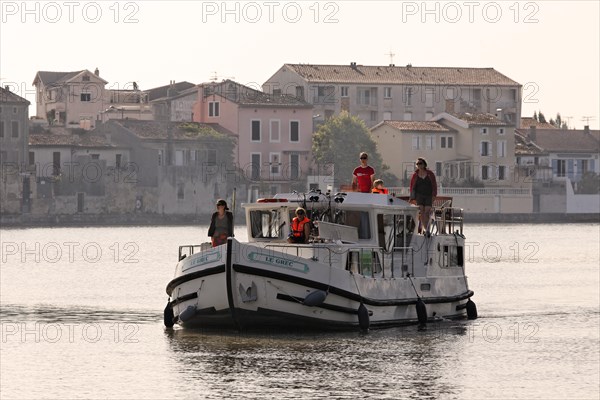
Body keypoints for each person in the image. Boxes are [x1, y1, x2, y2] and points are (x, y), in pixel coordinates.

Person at [409, 158, 437, 234]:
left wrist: (434, 195)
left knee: (427, 211)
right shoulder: (415, 175)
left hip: (428, 195)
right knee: (421, 212)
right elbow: (412, 187)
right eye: (417, 164)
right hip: (419, 195)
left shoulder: (430, 174)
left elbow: (434, 185)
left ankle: (427, 228)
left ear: (424, 164)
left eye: (420, 163)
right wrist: (412, 197)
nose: (419, 165)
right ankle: (426, 229)